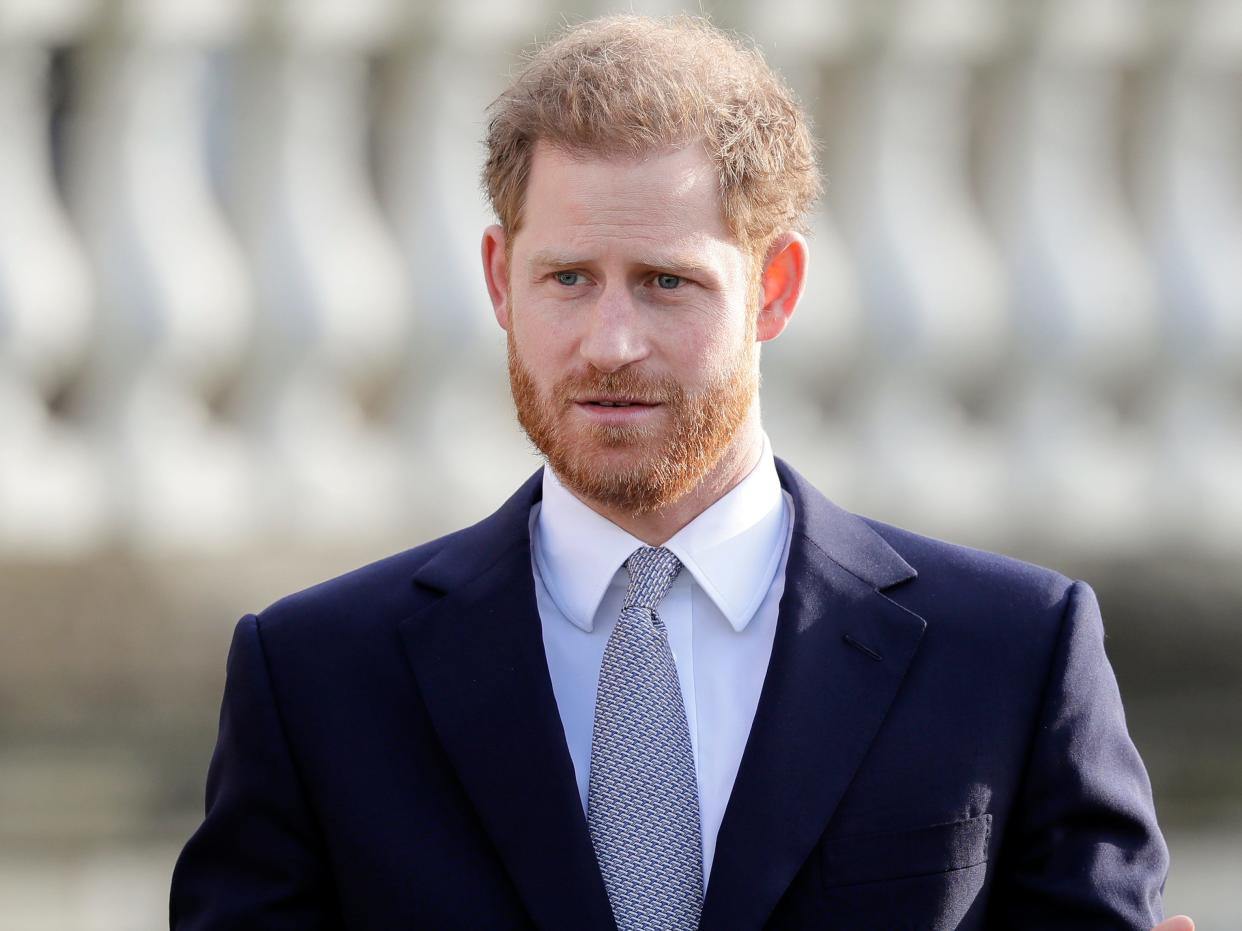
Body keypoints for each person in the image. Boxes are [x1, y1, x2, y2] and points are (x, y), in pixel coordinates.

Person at [170, 15, 1190, 931]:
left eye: (666, 283)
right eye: (567, 278)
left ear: (775, 288)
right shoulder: (314, 681)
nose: (610, 342)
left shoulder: (1012, 656)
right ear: (498, 279)